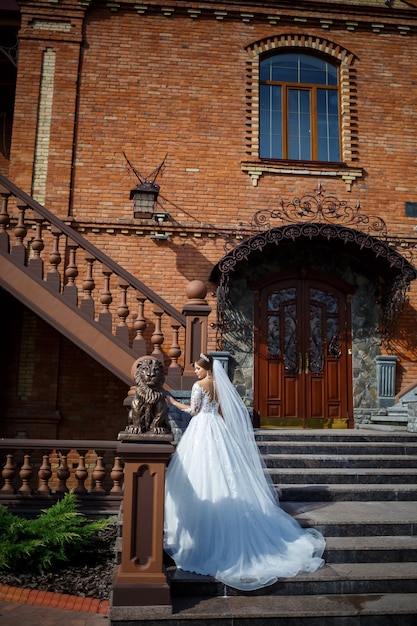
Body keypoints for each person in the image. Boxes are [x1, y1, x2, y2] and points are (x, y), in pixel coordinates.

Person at [164, 353, 325, 591]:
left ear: (205, 369)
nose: (196, 371)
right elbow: (220, 411)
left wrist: (173, 403)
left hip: (201, 429)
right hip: (217, 429)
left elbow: (194, 411)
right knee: (223, 469)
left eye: (198, 368)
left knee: (202, 473)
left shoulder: (199, 385)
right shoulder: (219, 385)